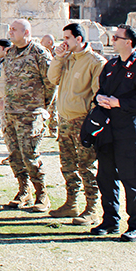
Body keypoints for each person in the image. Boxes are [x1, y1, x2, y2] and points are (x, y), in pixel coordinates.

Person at [91, 24, 136, 241]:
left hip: (128, 130)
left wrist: (120, 103)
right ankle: (110, 220)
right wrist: (99, 98)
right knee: (105, 176)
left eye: (117, 37)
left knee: (131, 177)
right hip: (107, 130)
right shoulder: (110, 65)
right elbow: (101, 90)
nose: (113, 40)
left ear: (128, 42)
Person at [46, 23, 105, 225]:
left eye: (68, 38)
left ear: (79, 39)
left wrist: (91, 121)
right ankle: (71, 203)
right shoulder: (68, 58)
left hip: (82, 121)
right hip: (65, 119)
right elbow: (52, 78)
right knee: (67, 165)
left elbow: (98, 94)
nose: (64, 42)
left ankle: (92, 208)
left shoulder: (95, 62)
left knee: (86, 165)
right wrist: (58, 58)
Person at [2, 19, 54, 212]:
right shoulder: (10, 54)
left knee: (30, 155)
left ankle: (42, 194)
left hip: (31, 113)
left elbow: (51, 83)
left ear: (26, 32)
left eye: (14, 29)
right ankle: (24, 191)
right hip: (11, 112)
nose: (10, 32)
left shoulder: (39, 53)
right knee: (15, 155)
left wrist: (42, 107)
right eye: (10, 29)